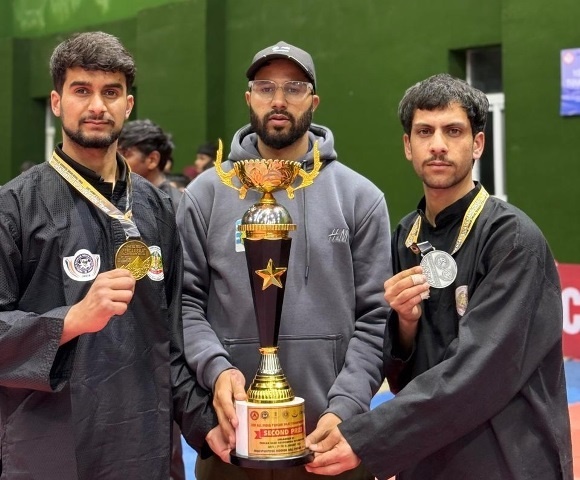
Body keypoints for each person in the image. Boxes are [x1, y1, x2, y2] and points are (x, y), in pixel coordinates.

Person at [306, 73, 573, 479]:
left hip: (506, 459)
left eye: (453, 131)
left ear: (477, 144)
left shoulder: (512, 238)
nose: (438, 145)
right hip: (428, 458)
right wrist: (406, 325)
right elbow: (402, 376)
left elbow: (481, 371)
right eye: (424, 131)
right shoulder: (407, 235)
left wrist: (368, 439)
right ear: (407, 146)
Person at [0, 31, 216, 479]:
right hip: (50, 452)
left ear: (128, 105)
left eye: (111, 92)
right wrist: (70, 320)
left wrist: (209, 426)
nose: (97, 106)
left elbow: (173, 336)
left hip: (147, 450)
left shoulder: (157, 207)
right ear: (57, 102)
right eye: (82, 90)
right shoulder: (14, 207)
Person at [176, 40, 392, 480]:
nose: (278, 100)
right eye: (265, 87)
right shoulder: (205, 195)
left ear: (314, 101)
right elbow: (185, 304)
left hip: (330, 444)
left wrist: (347, 405)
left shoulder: (360, 197)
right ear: (248, 98)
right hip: (234, 442)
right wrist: (217, 370)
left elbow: (377, 317)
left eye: (294, 88)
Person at [118, 118, 183, 209]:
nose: (116, 160)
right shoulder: (122, 195)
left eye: (125, 154)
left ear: (152, 160)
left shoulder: (174, 206)